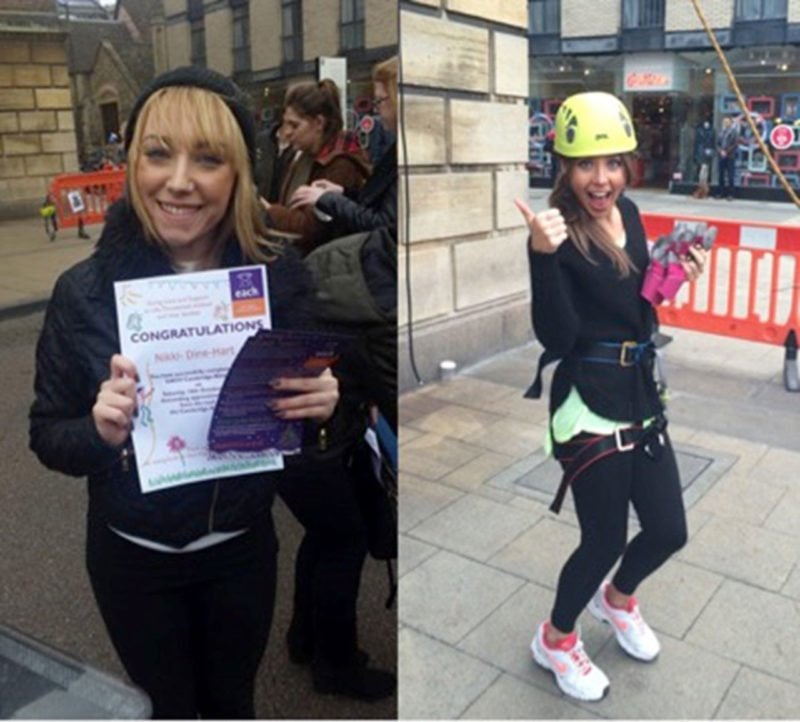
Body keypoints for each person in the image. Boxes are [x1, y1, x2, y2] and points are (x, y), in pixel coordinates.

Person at [28, 66, 347, 719]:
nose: (179, 180)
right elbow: (46, 433)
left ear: (237, 174)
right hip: (132, 559)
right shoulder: (83, 293)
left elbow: (306, 450)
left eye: (207, 158)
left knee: (233, 704)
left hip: (239, 551)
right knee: (167, 708)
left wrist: (324, 414)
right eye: (158, 154)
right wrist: (97, 432)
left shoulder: (276, 282)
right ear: (131, 165)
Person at [513, 91, 706, 702]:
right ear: (564, 169)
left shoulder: (636, 215)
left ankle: (617, 599)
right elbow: (560, 336)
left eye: (613, 163)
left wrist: (675, 273)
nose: (602, 179)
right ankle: (556, 638)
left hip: (641, 392)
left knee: (669, 529)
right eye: (586, 165)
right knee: (603, 539)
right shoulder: (558, 234)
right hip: (587, 400)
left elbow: (638, 303)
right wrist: (542, 259)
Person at [288, 56, 397, 239]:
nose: (376, 109)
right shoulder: (398, 148)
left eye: (380, 101)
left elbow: (383, 224)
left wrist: (328, 199)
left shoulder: (342, 164)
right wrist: (343, 193)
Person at [262, 79, 371, 255]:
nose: (287, 132)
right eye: (285, 123)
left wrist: (268, 211)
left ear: (319, 123)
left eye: (294, 125)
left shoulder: (341, 165)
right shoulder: (302, 155)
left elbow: (311, 230)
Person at [716, 115, 739, 200]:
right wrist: (720, 151)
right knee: (721, 175)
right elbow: (717, 143)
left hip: (730, 156)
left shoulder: (734, 132)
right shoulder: (721, 132)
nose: (725, 123)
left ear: (731, 123)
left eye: (727, 122)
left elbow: (735, 143)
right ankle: (720, 193)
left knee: (730, 176)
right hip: (721, 156)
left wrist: (726, 151)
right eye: (724, 122)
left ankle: (731, 194)